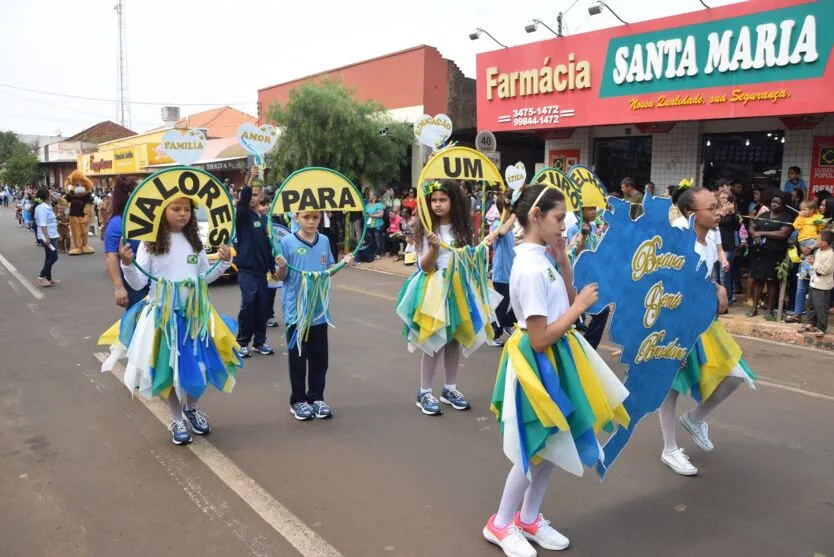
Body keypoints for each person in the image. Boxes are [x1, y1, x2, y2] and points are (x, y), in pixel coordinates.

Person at [483, 185, 628, 556]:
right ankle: (500, 523)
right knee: (534, 446)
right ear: (536, 216)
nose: (565, 225)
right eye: (559, 218)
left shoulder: (542, 257)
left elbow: (562, 297)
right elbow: (538, 338)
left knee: (556, 441)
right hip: (537, 364)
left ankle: (529, 517)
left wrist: (563, 261)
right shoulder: (529, 267)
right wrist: (579, 307)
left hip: (554, 357)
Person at [101, 197, 238, 445]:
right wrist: (127, 265)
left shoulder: (195, 242)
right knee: (170, 370)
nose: (183, 214)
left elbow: (204, 278)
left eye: (187, 210)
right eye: (176, 209)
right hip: (163, 318)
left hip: (196, 316)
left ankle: (191, 408)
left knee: (204, 367)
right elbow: (138, 284)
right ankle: (176, 418)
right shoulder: (149, 243)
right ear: (162, 212)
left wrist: (224, 262)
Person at [659, 187, 756, 476]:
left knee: (736, 375)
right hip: (676, 322)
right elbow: (667, 286)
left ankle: (695, 418)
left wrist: (717, 287)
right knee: (671, 390)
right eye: (712, 208)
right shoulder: (677, 238)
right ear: (691, 213)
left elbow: (700, 276)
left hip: (703, 320)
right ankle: (669, 449)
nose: (719, 211)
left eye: (718, 206)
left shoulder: (711, 235)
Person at [400, 181, 494, 416]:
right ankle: (424, 391)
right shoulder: (426, 228)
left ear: (453, 201)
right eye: (434, 200)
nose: (438, 204)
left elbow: (469, 259)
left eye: (443, 199)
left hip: (459, 288)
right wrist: (432, 248)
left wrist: (481, 248)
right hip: (435, 287)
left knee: (454, 340)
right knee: (433, 341)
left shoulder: (463, 228)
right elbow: (424, 266)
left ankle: (449, 389)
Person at [274, 211, 354, 421]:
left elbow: (328, 269)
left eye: (315, 217)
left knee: (320, 359)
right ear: (297, 218)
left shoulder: (324, 240)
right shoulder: (288, 242)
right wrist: (281, 267)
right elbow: (280, 276)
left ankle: (316, 397)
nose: (311, 222)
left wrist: (343, 262)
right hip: (296, 313)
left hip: (319, 311)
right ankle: (298, 401)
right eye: (306, 217)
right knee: (298, 358)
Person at [235, 167, 275, 358]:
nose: (252, 197)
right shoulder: (242, 216)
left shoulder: (265, 219)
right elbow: (243, 202)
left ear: (262, 198)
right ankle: (242, 342)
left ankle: (260, 342)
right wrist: (251, 179)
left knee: (261, 307)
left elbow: (268, 246)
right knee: (249, 303)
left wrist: (272, 267)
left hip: (261, 272)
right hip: (246, 270)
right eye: (250, 194)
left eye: (256, 195)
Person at [566, 203, 610, 348]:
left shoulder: (592, 229)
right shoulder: (575, 229)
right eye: (590, 209)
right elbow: (577, 253)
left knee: (602, 311)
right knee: (569, 316)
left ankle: (588, 347)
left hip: (590, 279)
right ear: (580, 210)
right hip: (576, 280)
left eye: (594, 209)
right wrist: (584, 236)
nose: (594, 212)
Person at [104, 176, 149, 310]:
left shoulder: (149, 219)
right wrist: (119, 288)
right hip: (135, 288)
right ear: (131, 195)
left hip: (157, 284)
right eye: (143, 189)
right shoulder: (118, 223)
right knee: (140, 325)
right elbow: (111, 256)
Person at [747, 193, 793, 320]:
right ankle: (754, 307)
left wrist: (762, 233)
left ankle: (769, 309)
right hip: (759, 252)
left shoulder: (786, 217)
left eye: (777, 202)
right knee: (758, 280)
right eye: (773, 201)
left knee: (772, 281)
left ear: (783, 205)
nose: (774, 204)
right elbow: (752, 226)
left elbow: (783, 234)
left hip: (774, 254)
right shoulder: (764, 215)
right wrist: (754, 234)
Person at [785, 200, 826, 322]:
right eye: (801, 209)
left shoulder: (818, 218)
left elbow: (822, 230)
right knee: (801, 284)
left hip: (815, 250)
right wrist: (800, 216)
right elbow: (796, 227)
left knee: (814, 286)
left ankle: (814, 318)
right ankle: (797, 314)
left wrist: (812, 247)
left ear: (812, 210)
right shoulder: (801, 218)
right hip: (804, 245)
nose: (802, 211)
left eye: (804, 209)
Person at [488, 196, 517, 348]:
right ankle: (494, 334)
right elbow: (502, 232)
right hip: (501, 274)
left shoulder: (509, 228)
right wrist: (513, 214)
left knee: (516, 302)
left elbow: (512, 241)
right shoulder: (497, 225)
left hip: (510, 272)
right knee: (501, 305)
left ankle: (506, 323)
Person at [799, 229, 834, 336]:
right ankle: (811, 323)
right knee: (811, 304)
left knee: (821, 307)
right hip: (814, 282)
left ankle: (821, 327)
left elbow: (825, 270)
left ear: (824, 243)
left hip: (823, 286)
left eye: (818, 239)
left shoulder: (830, 255)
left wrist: (814, 263)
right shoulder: (819, 251)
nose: (816, 241)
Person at [716, 191, 741, 306]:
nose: (725, 200)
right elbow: (712, 223)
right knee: (716, 275)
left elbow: (737, 226)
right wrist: (721, 213)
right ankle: (719, 298)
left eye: (727, 198)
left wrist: (733, 212)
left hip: (727, 245)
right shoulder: (715, 210)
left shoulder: (732, 213)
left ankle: (727, 300)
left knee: (724, 274)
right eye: (722, 197)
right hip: (715, 245)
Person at [34, 187, 61, 287]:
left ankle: (49, 278)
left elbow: (52, 222)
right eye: (50, 194)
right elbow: (43, 224)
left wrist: (57, 234)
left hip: (52, 234)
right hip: (46, 236)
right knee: (54, 257)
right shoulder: (41, 208)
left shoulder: (48, 206)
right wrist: (47, 238)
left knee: (49, 257)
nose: (51, 196)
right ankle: (41, 277)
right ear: (46, 196)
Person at [365, 190, 385, 258]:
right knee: (371, 240)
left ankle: (378, 253)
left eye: (370, 195)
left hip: (377, 225)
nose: (369, 196)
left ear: (375, 197)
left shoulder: (379, 205)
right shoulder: (367, 205)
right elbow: (365, 213)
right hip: (369, 225)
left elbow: (381, 214)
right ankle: (373, 252)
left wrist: (371, 215)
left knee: (377, 239)